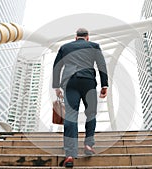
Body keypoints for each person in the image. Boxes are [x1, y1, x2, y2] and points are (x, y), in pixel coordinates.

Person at [52, 28, 108, 167]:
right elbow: (102, 65)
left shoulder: (65, 47)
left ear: (75, 37)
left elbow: (57, 67)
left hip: (70, 82)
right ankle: (88, 144)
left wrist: (56, 87)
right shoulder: (94, 46)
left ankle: (70, 154)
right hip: (88, 81)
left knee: (71, 116)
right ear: (87, 37)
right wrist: (104, 85)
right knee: (91, 113)